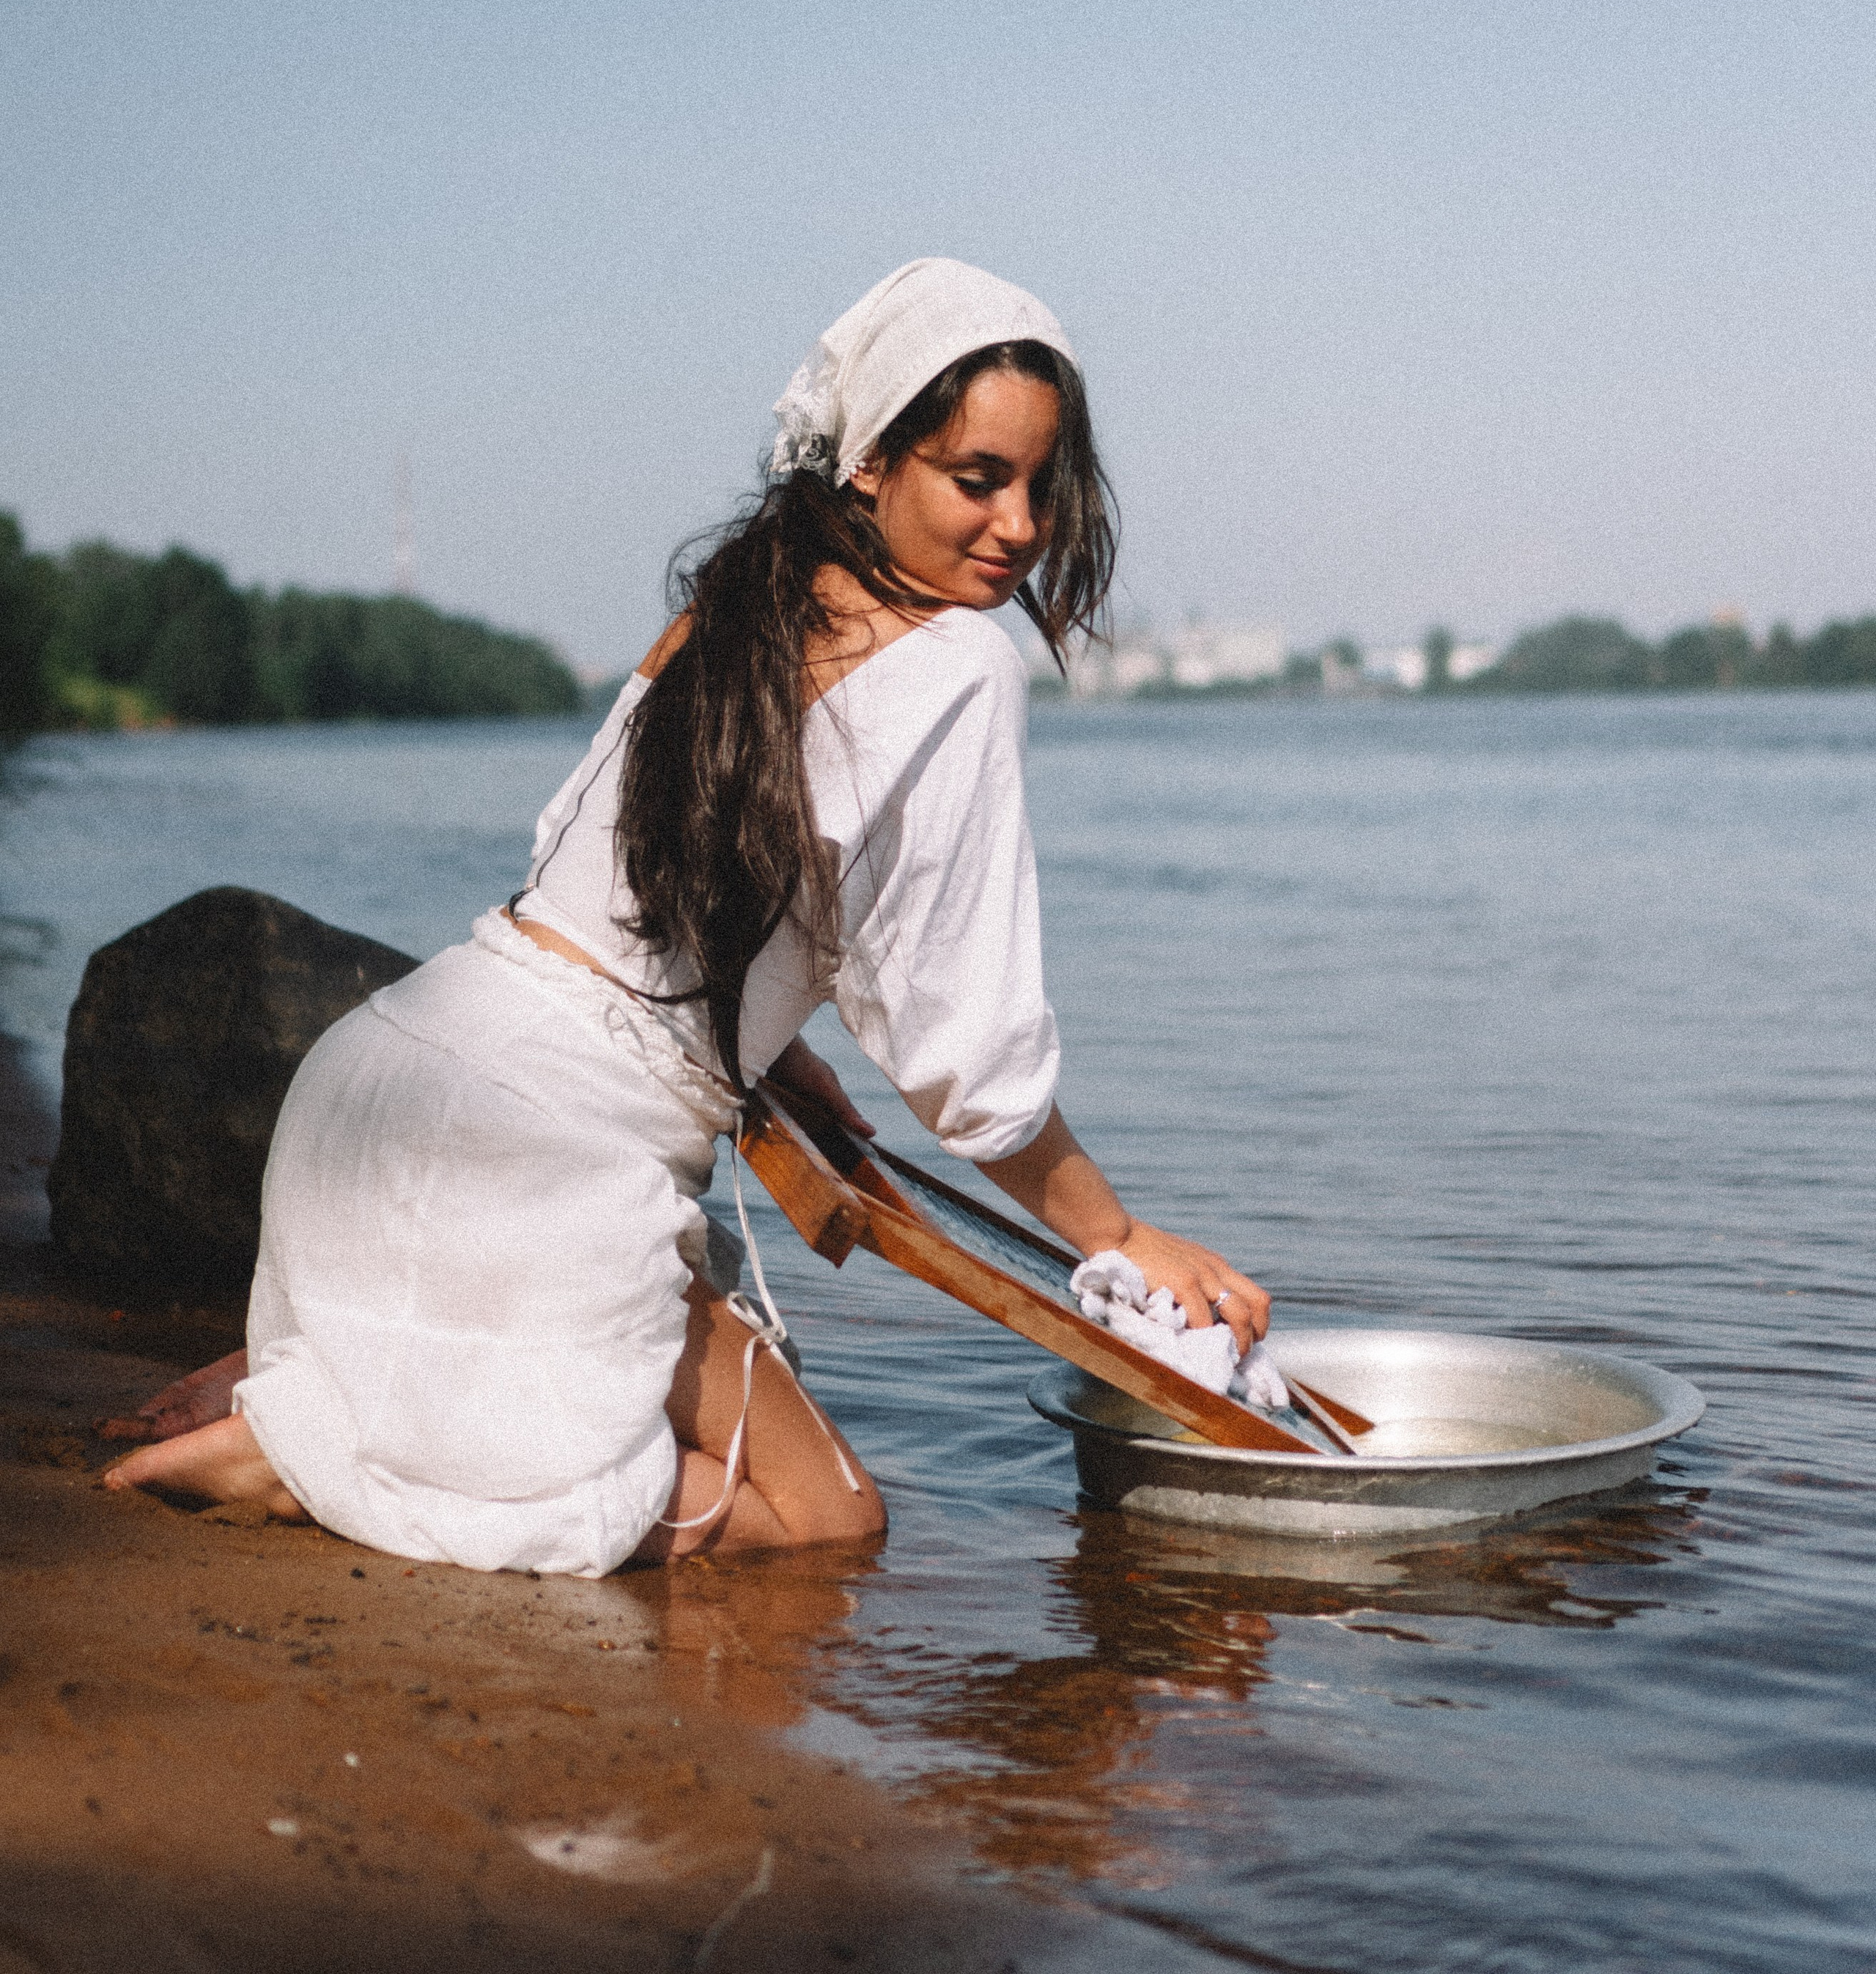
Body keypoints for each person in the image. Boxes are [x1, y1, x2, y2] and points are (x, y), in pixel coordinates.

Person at [105, 259, 1271, 1574]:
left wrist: (762, 1042)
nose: (1021, 524)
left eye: (1043, 485)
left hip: (374, 1089)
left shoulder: (746, 600)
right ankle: (310, 1463)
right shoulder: (961, 664)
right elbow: (965, 1055)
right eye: (978, 477)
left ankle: (357, 1401)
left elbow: (580, 865)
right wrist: (1119, 1239)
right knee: (830, 1523)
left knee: (679, 1426)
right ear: (870, 464)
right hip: (532, 1166)